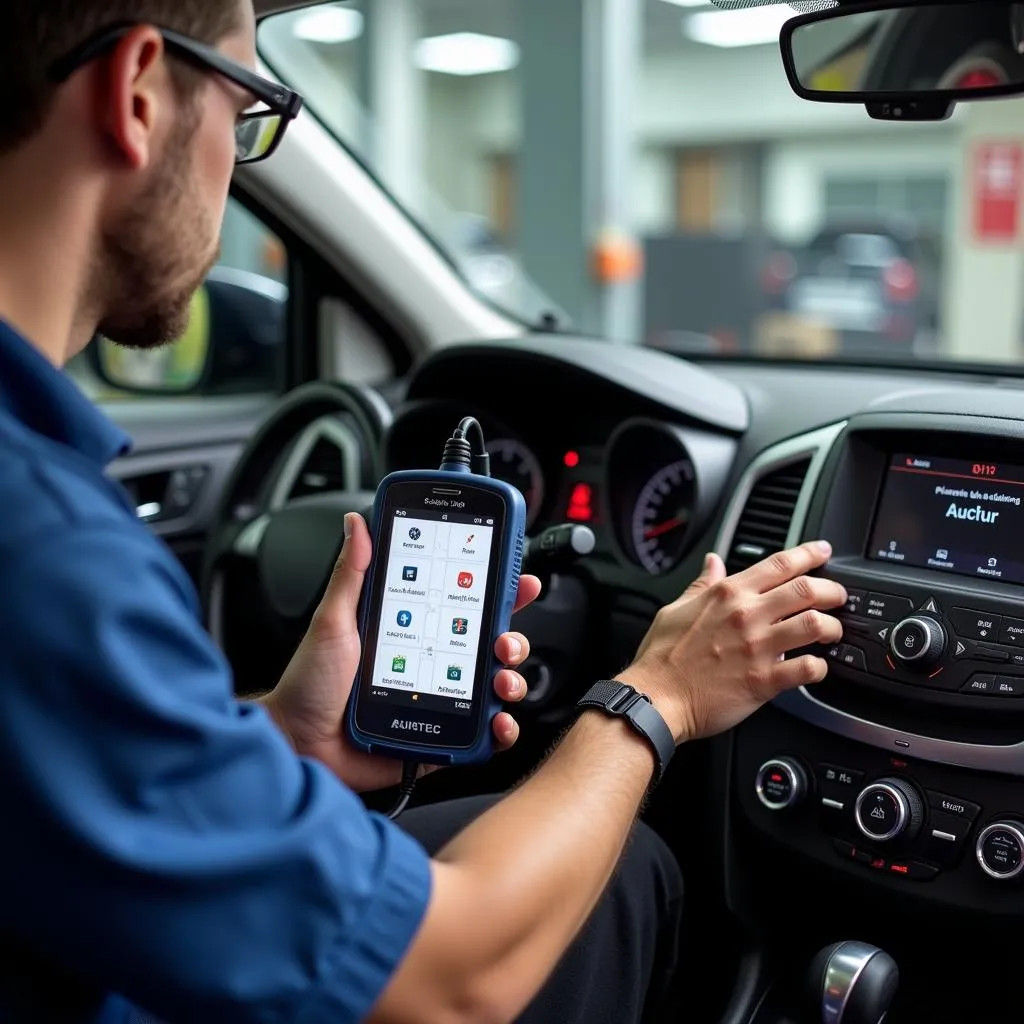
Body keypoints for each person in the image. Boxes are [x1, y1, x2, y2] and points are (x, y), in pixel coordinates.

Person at [0, 2, 848, 1022]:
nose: (237, 162)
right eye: (248, 108)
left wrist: (281, 737)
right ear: (138, 95)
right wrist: (653, 697)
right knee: (629, 866)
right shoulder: (43, 547)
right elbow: (455, 979)